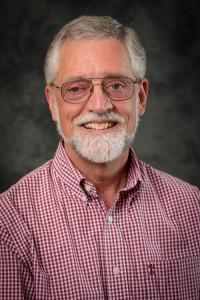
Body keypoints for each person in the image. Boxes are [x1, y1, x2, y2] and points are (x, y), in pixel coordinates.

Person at [0, 15, 199, 300]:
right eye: (76, 88)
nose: (99, 105)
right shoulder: (8, 224)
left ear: (140, 98)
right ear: (52, 103)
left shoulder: (192, 210)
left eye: (116, 85)